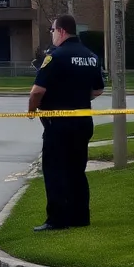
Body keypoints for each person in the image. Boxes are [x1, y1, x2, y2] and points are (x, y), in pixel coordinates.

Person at [27, 14, 105, 231]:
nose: (52, 35)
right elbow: (98, 89)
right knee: (77, 170)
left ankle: (57, 219)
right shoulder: (90, 56)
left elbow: (37, 91)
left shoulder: (55, 57)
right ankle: (80, 217)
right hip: (82, 121)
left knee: (55, 171)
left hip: (58, 124)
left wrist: (31, 110)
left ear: (61, 31)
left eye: (52, 31)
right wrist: (77, 97)